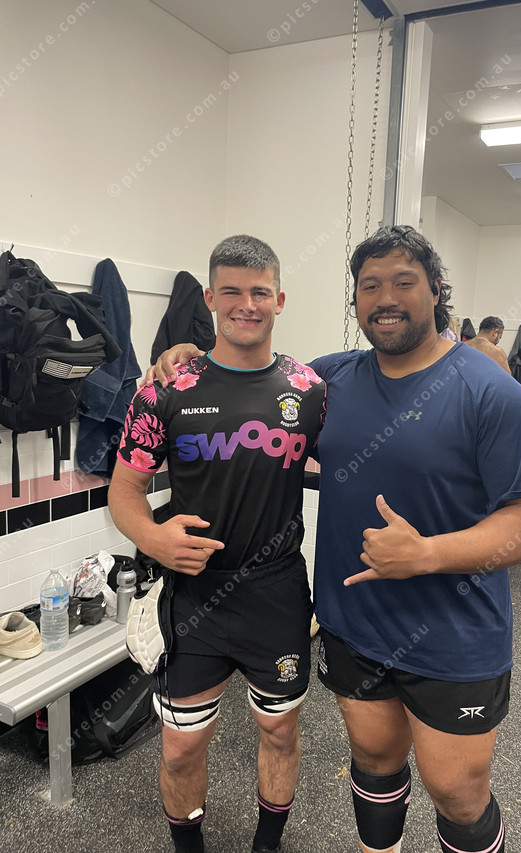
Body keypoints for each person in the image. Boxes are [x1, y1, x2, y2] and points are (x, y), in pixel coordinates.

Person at [150, 225, 521, 853]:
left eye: (403, 282)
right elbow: (251, 382)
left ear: (436, 290)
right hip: (354, 625)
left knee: (456, 791)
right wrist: (192, 357)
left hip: (454, 635)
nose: (385, 298)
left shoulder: (488, 390)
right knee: (373, 762)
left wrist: (429, 553)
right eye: (370, 286)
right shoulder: (329, 381)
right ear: (356, 300)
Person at [108, 234, 326, 853]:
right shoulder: (165, 389)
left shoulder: (311, 389)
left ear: (279, 299)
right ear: (209, 298)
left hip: (276, 595)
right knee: (180, 747)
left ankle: (267, 846)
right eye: (231, 291)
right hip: (195, 598)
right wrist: (153, 538)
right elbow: (125, 490)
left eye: (260, 292)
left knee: (279, 733)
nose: (246, 304)